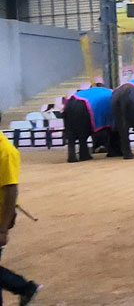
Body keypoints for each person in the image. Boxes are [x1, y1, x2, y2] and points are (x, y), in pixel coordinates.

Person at [0, 113, 42, 305]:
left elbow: (10, 189)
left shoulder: (5, 151)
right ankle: (25, 288)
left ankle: (25, 288)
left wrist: (3, 229)